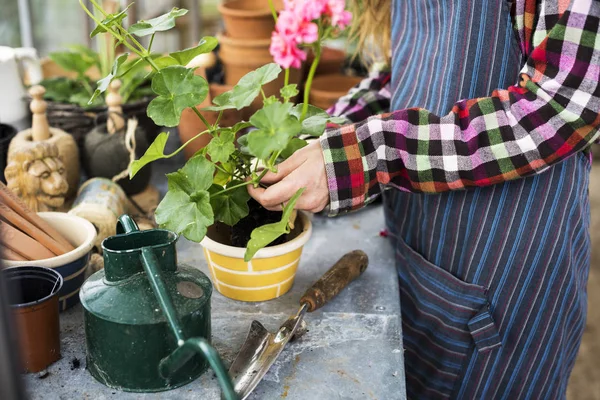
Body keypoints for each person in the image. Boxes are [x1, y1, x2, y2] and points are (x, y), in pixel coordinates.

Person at [248, 0, 600, 398]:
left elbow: (565, 104)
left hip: (501, 262)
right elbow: (407, 71)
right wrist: (321, 138)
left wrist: (368, 153)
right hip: (420, 243)